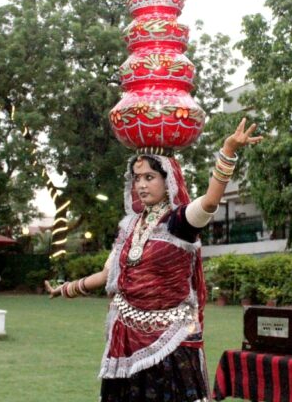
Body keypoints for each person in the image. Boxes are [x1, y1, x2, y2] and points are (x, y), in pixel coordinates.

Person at [45, 118, 262, 402]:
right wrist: (65, 289)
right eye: (137, 178)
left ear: (167, 179)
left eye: (150, 177)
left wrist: (228, 152)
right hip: (125, 340)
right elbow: (109, 275)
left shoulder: (179, 222)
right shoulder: (130, 226)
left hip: (169, 342)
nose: (142, 185)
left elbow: (209, 202)